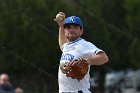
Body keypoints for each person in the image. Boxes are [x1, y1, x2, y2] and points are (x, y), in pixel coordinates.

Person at [54, 12, 109, 93]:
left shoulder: (84, 44)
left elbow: (104, 58)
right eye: (68, 27)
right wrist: (61, 25)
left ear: (81, 31)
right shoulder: (66, 46)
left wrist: (86, 61)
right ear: (65, 31)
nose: (71, 30)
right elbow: (62, 42)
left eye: (75, 27)